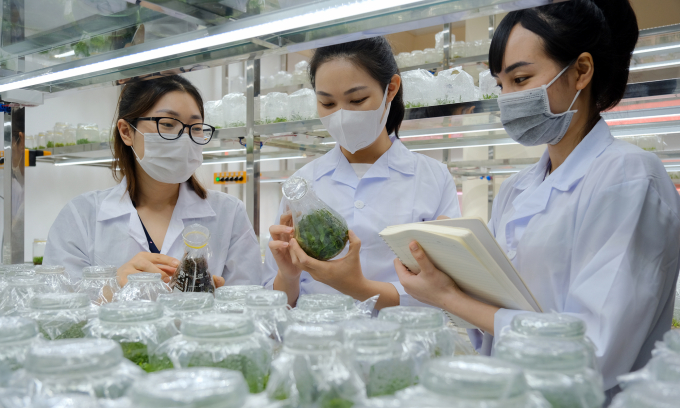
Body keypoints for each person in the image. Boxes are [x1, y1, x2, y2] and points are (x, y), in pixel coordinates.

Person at [395, 0, 680, 399]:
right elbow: (492, 315)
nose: (506, 99)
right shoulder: (517, 188)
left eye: (521, 79)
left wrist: (448, 297)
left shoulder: (630, 177)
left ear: (580, 71)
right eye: (500, 84)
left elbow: (593, 353)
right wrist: (446, 275)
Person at [263, 37, 461, 310]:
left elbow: (446, 291)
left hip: (402, 344)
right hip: (316, 344)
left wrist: (357, 288)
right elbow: (277, 302)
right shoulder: (302, 183)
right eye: (328, 104)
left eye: (357, 99)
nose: (342, 115)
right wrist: (288, 275)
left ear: (390, 89)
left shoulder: (433, 179)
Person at [44, 75, 262, 287]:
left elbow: (251, 303)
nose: (184, 139)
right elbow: (55, 310)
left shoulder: (229, 213)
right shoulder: (80, 216)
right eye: (167, 124)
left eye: (195, 128)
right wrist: (112, 289)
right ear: (126, 131)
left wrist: (216, 305)